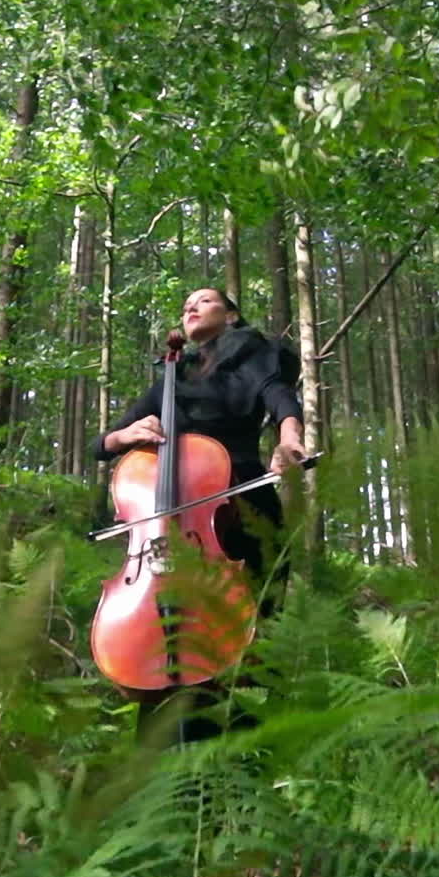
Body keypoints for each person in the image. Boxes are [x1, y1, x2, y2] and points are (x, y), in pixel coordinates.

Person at [92, 287, 306, 742]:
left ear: (230, 316)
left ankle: (245, 749)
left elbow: (280, 399)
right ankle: (161, 761)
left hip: (239, 497)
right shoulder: (174, 375)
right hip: (170, 520)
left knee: (247, 630)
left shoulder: (251, 355)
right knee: (164, 637)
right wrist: (125, 435)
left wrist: (289, 439)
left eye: (205, 300)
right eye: (187, 302)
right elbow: (102, 445)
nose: (191, 306)